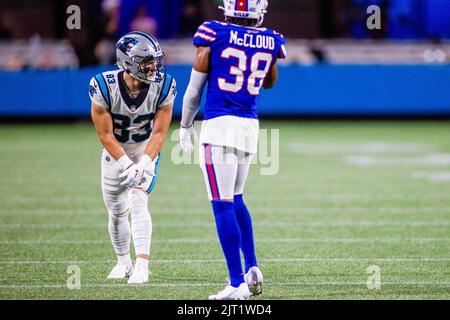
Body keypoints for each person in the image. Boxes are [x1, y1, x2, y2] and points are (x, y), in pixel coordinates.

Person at [179, 0, 286, 300]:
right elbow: (270, 82)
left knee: (222, 203)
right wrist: (261, 55)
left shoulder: (213, 33)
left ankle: (237, 282)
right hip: (249, 126)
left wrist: (186, 124)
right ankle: (252, 266)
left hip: (219, 126)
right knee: (236, 198)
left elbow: (194, 88)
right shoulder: (270, 38)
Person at [90, 31, 176, 284]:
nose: (153, 67)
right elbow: (105, 135)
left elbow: (160, 132)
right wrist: (125, 164)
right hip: (115, 151)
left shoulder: (164, 85)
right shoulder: (103, 84)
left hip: (145, 149)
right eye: (146, 62)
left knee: (138, 201)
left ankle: (142, 265)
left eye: (154, 61)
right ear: (128, 62)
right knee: (116, 210)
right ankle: (123, 262)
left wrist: (144, 163)